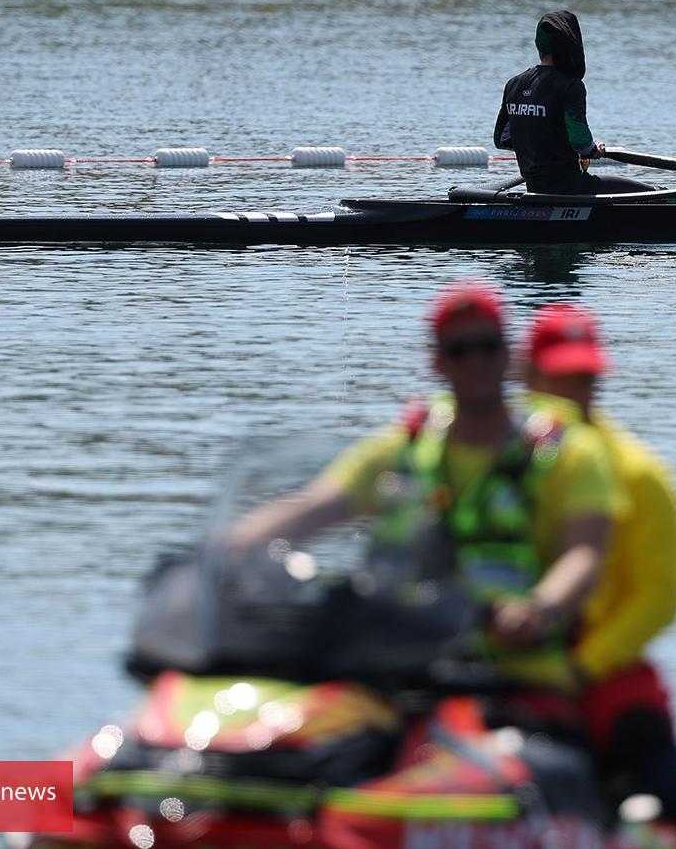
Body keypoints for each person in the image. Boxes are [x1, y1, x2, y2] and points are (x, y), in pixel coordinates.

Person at [231, 282, 615, 696]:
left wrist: (539, 608)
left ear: (508, 354)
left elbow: (583, 554)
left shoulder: (567, 450)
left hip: (516, 677)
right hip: (405, 665)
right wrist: (226, 549)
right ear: (437, 361)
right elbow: (311, 507)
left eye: (487, 345)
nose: (476, 361)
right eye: (459, 349)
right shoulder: (406, 446)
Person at [525, 302, 676, 849]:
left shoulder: (641, 475)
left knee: (646, 744)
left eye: (585, 378)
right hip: (515, 658)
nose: (573, 393)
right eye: (559, 378)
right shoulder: (497, 461)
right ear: (527, 375)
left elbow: (659, 600)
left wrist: (580, 667)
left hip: (599, 671)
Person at [494, 10, 652, 197]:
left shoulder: (514, 84)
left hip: (535, 188)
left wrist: (538, 141)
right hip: (570, 187)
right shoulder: (570, 86)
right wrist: (593, 151)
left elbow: (502, 140)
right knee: (653, 192)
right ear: (571, 44)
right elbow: (581, 142)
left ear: (539, 45)